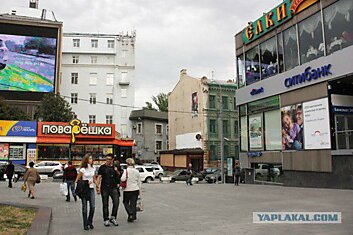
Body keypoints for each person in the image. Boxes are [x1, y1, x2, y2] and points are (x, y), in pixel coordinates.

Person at [97, 154, 120, 227]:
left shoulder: (115, 167)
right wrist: (97, 187)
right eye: (106, 159)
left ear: (112, 160)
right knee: (105, 204)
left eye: (109, 159)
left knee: (116, 203)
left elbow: (119, 175)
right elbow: (99, 177)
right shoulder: (102, 167)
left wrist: (116, 171)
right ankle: (106, 219)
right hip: (104, 188)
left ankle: (113, 217)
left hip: (114, 187)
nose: (107, 160)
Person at [76, 154, 97, 231]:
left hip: (91, 189)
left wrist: (98, 186)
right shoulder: (82, 170)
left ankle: (89, 221)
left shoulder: (93, 168)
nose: (91, 160)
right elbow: (77, 180)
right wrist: (85, 182)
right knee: (84, 208)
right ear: (86, 160)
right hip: (84, 189)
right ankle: (85, 224)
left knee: (93, 207)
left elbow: (94, 179)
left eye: (92, 158)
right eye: (90, 159)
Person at [121, 158, 141, 222]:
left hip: (127, 189)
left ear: (127, 164)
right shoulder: (136, 171)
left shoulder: (126, 171)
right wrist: (139, 191)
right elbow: (139, 182)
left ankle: (130, 212)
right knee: (133, 203)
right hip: (135, 189)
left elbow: (123, 179)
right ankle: (133, 216)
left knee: (125, 202)